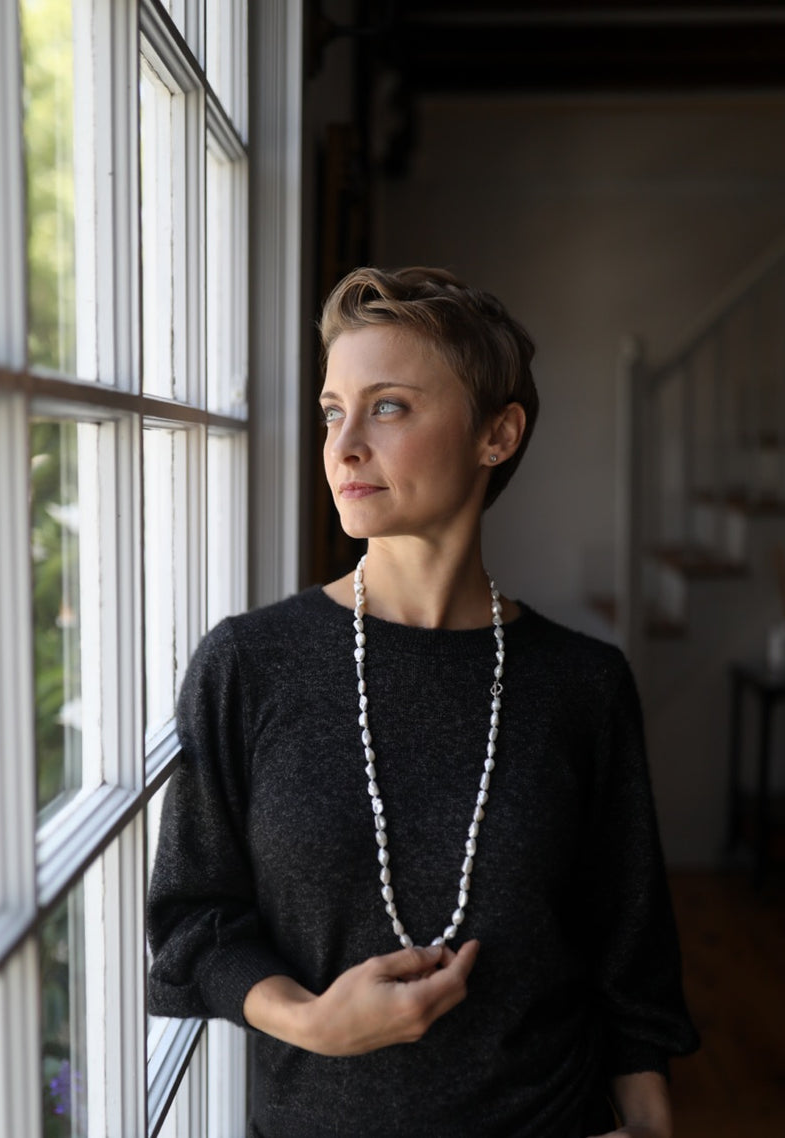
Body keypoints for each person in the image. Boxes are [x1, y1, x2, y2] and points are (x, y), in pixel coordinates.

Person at [147, 266, 700, 1138]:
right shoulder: (249, 664)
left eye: (389, 407)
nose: (343, 444)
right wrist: (308, 1019)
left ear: (497, 433)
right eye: (334, 411)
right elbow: (193, 919)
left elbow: (630, 962)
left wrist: (652, 1123)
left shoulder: (583, 686)